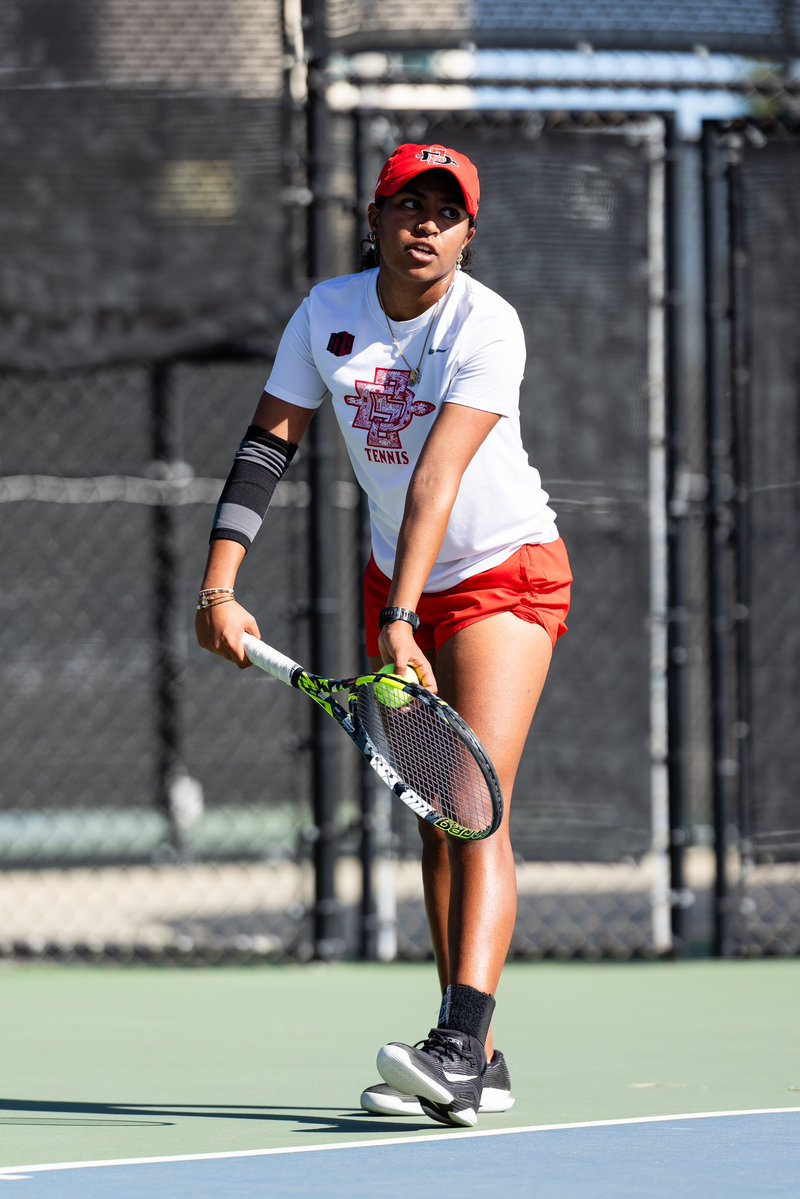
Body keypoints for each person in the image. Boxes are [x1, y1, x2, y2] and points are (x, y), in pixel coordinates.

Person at [195, 142, 572, 1128]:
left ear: (468, 233)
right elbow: (267, 442)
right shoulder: (327, 314)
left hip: (502, 573)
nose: (424, 225)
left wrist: (401, 614)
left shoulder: (486, 324)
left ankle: (455, 1042)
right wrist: (218, 584)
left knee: (469, 800)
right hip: (395, 583)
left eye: (445, 212)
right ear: (375, 216)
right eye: (408, 205)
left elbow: (436, 480)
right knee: (429, 816)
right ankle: (473, 1057)